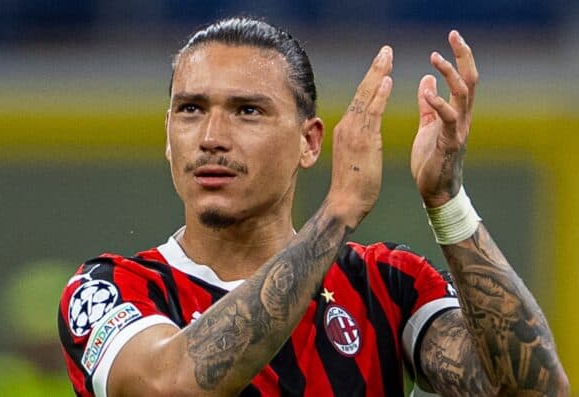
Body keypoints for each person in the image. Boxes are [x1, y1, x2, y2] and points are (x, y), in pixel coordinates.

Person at [58, 17, 569, 397]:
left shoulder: (387, 285)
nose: (212, 138)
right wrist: (338, 211)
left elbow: (532, 391)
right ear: (168, 137)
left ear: (309, 142)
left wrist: (446, 200)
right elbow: (168, 388)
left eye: (247, 111)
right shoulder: (109, 288)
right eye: (191, 109)